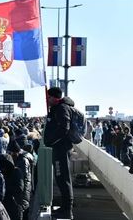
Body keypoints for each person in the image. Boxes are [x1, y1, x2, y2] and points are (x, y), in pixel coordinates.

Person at [45, 86, 75, 219]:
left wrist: (51, 141)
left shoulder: (62, 108)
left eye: (48, 97)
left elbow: (64, 128)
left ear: (54, 98)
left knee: (63, 179)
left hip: (61, 149)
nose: (47, 100)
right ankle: (64, 208)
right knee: (61, 178)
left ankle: (67, 210)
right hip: (60, 148)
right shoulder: (57, 108)